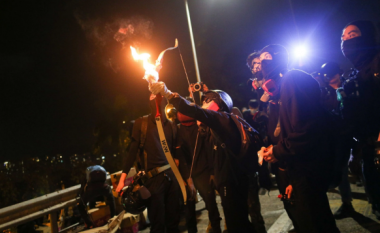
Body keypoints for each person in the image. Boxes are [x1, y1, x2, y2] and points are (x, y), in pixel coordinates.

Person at [150, 83, 260, 232]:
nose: (204, 104)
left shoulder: (222, 119)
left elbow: (194, 110)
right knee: (240, 222)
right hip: (231, 180)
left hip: (231, 180)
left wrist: (168, 93)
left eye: (207, 101)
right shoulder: (219, 123)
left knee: (237, 224)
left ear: (218, 103)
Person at [260, 44, 340, 233]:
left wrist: (278, 151)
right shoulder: (280, 91)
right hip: (296, 169)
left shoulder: (292, 80)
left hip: (307, 169)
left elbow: (305, 130)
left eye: (264, 59)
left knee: (315, 222)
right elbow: (282, 131)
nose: (259, 68)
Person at [116, 95, 181, 233]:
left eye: (160, 97)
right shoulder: (141, 123)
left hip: (172, 178)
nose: (157, 101)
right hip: (153, 180)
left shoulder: (171, 125)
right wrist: (122, 180)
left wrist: (186, 180)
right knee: (157, 224)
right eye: (153, 98)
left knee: (174, 222)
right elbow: (132, 152)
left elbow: (177, 155)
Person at [339, 20, 380, 219]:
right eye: (343, 37)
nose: (346, 41)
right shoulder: (354, 76)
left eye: (353, 35)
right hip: (368, 151)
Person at [314, 62, 356, 219]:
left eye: (332, 74)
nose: (329, 77)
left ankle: (373, 199)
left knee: (361, 166)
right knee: (341, 170)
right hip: (336, 137)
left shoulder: (350, 86)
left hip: (353, 132)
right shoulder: (324, 92)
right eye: (326, 75)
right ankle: (347, 202)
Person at [176, 110, 222, 233]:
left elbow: (209, 150)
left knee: (211, 206)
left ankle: (216, 229)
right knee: (189, 212)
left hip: (203, 173)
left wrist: (212, 172)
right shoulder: (177, 129)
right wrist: (186, 178)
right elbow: (179, 156)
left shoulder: (200, 127)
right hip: (186, 176)